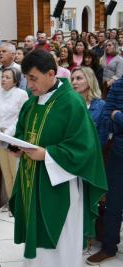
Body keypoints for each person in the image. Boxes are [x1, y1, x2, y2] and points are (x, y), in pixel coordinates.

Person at [9, 49, 107, 267]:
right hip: (31, 181)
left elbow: (85, 148)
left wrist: (46, 154)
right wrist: (17, 145)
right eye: (27, 78)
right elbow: (23, 131)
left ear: (51, 73)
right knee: (36, 248)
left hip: (61, 184)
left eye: (33, 78)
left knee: (61, 243)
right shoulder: (31, 102)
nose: (30, 85)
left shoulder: (72, 102)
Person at [86, 76, 123, 265]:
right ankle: (109, 247)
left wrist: (119, 116)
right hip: (118, 151)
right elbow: (107, 116)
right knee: (113, 204)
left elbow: (114, 115)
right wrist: (115, 117)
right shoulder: (119, 85)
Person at [0, 67, 28, 207]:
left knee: (15, 170)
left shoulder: (21, 94)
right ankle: (11, 202)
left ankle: (19, 203)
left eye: (7, 77)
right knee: (5, 170)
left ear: (15, 80)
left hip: (13, 137)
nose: (3, 79)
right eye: (3, 76)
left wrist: (6, 134)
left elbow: (21, 117)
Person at [71, 67, 105, 142]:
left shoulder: (101, 106)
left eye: (79, 78)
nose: (74, 82)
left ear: (90, 80)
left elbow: (102, 137)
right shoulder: (69, 104)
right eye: (72, 79)